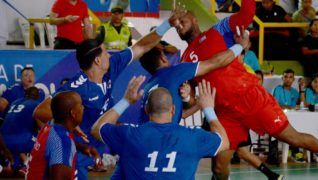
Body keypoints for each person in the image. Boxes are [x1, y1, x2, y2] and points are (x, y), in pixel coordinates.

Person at [175, 0, 318, 178]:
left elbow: (247, 13)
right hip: (226, 112)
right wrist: (185, 97)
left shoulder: (217, 31)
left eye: (182, 19)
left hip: (251, 97)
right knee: (219, 168)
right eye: (176, 24)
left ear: (195, 19)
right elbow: (190, 100)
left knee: (292, 138)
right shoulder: (184, 60)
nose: (178, 24)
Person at [33, 11, 183, 179]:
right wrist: (69, 123)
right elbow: (40, 111)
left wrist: (167, 24)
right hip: (76, 154)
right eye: (105, 52)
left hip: (95, 148)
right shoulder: (77, 87)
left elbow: (141, 46)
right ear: (97, 61)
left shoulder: (111, 67)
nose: (109, 55)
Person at [91, 77, 229, 179]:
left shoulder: (130, 134)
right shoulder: (192, 136)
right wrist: (208, 109)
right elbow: (224, 142)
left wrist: (126, 101)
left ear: (146, 109)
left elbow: (97, 128)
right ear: (173, 110)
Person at [138, 28, 248, 124]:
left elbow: (182, 114)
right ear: (163, 58)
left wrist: (200, 104)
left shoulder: (146, 89)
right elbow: (215, 62)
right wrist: (240, 46)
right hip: (164, 141)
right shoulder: (175, 72)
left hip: (144, 141)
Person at [27, 91, 97, 179]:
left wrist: (81, 147)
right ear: (73, 113)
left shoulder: (50, 126)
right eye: (80, 105)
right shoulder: (63, 142)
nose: (83, 108)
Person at [0, 87, 40, 176]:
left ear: (25, 94)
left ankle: (7, 164)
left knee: (13, 165)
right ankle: (28, 166)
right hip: (20, 141)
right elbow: (41, 126)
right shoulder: (37, 104)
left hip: (3, 141)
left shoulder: (14, 102)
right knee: (43, 139)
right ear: (37, 96)